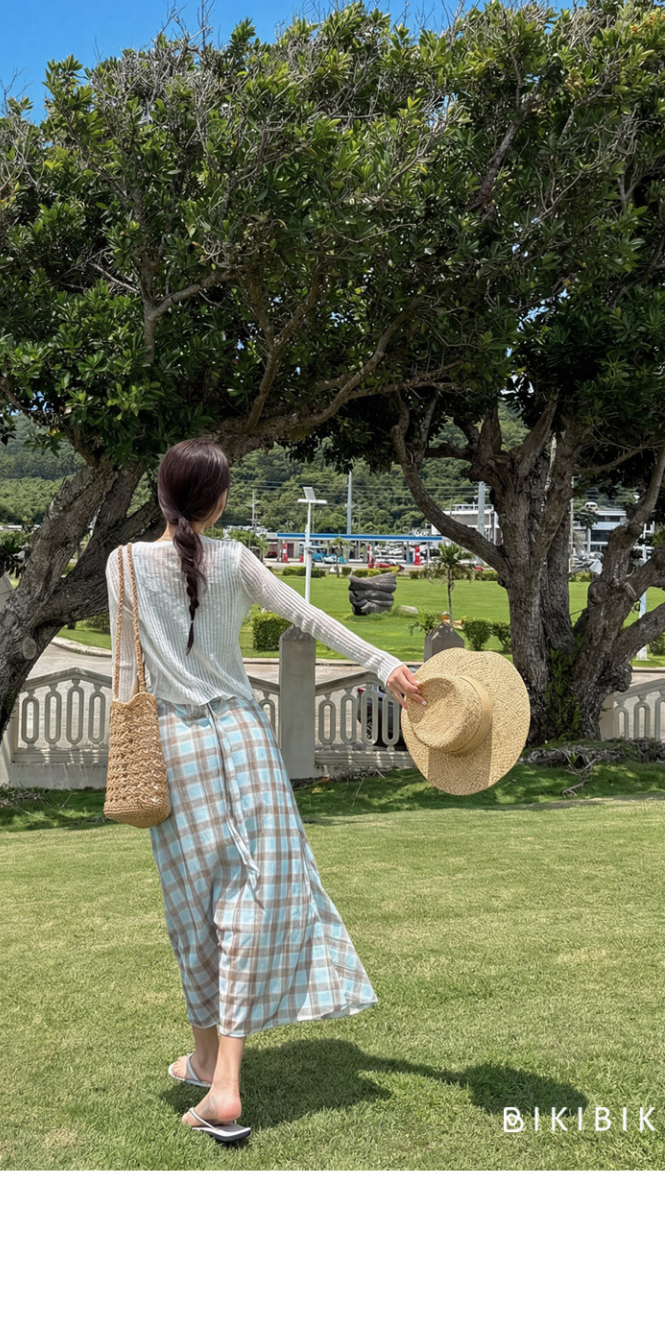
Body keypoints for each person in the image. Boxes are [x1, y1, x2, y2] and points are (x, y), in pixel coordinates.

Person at [106, 434, 431, 1143]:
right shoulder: (235, 560)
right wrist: (384, 664)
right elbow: (310, 616)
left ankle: (220, 1081)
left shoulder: (123, 563)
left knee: (193, 907)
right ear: (219, 501)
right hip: (245, 743)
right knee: (249, 899)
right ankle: (211, 1068)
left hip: (176, 751)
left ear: (162, 494)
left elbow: (126, 673)